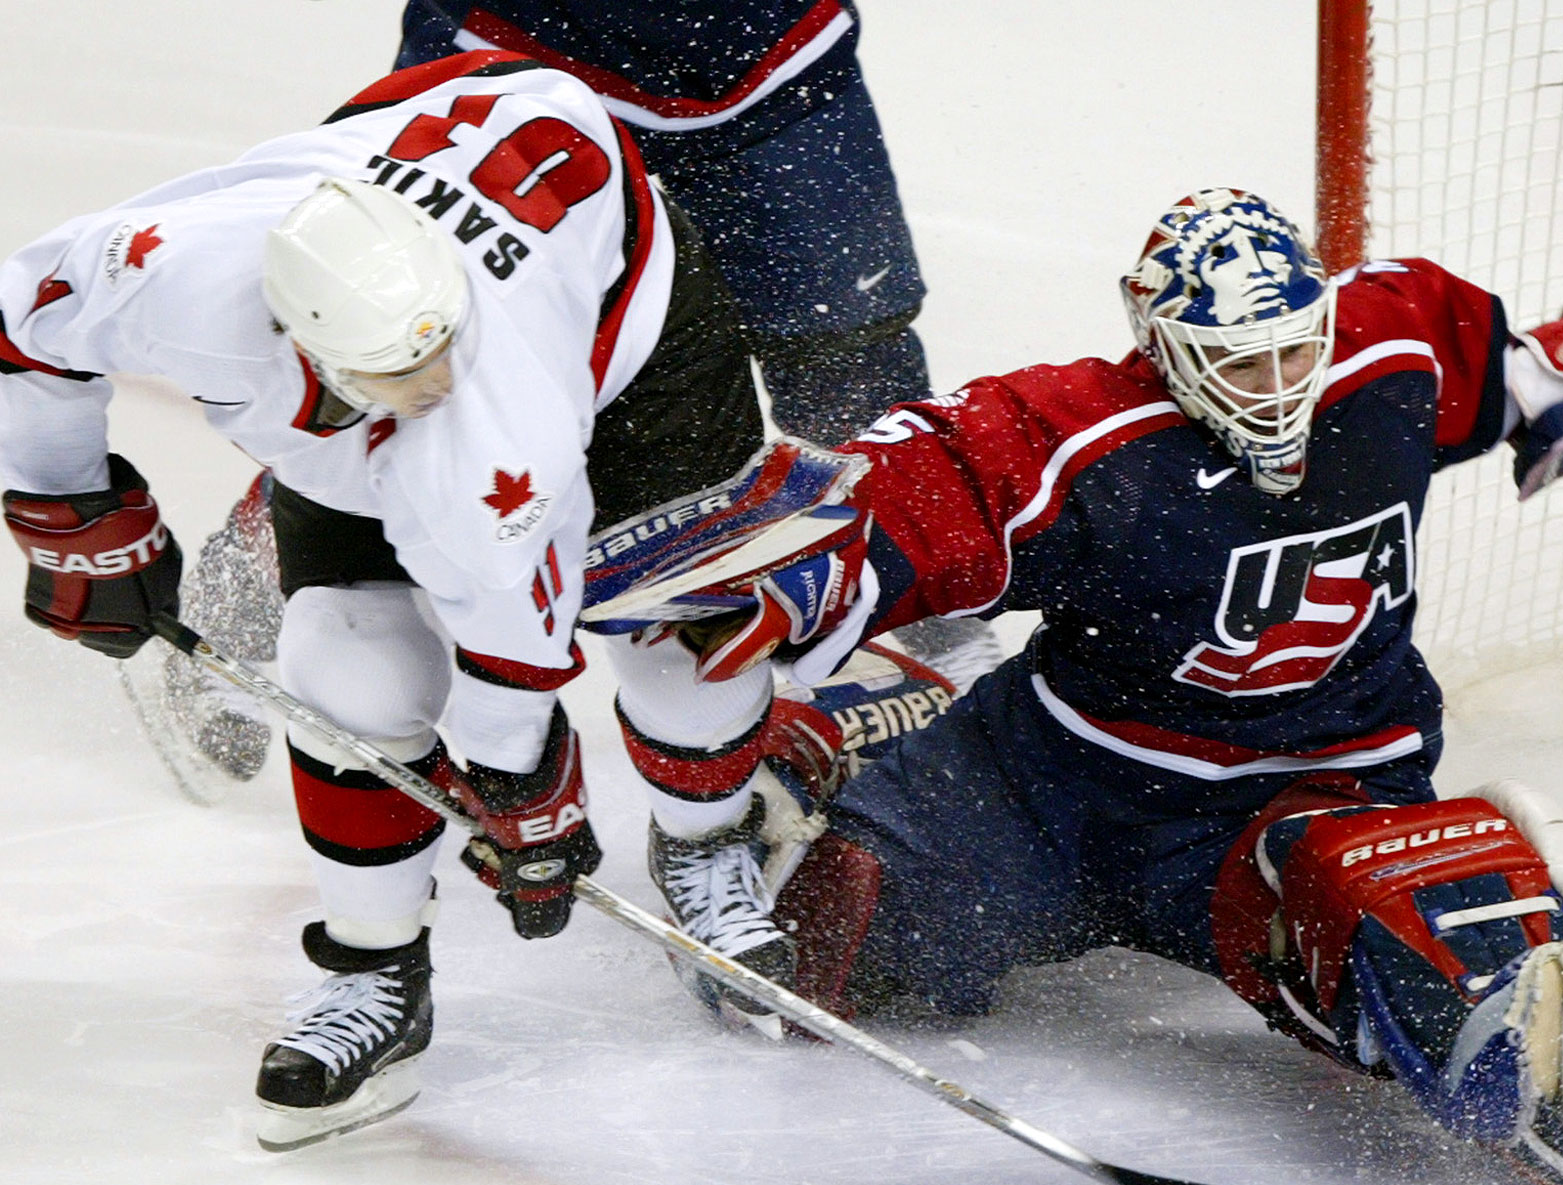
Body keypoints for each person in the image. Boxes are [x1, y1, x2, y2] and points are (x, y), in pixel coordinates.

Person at [746, 190, 1563, 1185]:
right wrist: (756, 572)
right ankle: (860, 723)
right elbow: (875, 503)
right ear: (1158, 340)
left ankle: (1527, 1019)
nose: (1276, 385)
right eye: (1238, 361)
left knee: (1352, 897)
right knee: (820, 929)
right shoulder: (1069, 432)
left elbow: (1547, 376)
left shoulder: (1392, 349)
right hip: (1050, 788)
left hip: (1319, 775)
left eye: (1295, 348)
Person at [0, 50, 842, 1149]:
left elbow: (515, 664)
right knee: (346, 664)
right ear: (300, 332)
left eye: (438, 353)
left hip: (628, 327)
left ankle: (705, 839)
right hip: (402, 204)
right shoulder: (170, 276)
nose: (434, 385)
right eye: (401, 370)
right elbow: (20, 319)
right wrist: (69, 508)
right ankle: (373, 970)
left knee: (680, 630)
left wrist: (522, 792)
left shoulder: (487, 418)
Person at [128, 0, 998, 801]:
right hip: (505, 76)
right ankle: (255, 584)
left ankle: (923, 618)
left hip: (777, 64)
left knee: (848, 355)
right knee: (419, 368)